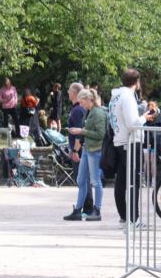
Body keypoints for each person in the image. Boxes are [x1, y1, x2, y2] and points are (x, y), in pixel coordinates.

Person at [109, 68, 153, 226]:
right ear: (137, 82)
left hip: (120, 141)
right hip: (130, 142)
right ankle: (133, 219)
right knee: (133, 181)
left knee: (121, 181)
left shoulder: (115, 96)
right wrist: (145, 117)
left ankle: (124, 216)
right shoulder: (127, 97)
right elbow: (133, 123)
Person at [64, 90, 107, 221]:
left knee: (95, 181)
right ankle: (78, 209)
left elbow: (101, 134)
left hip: (95, 150)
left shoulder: (98, 113)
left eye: (82, 102)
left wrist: (81, 131)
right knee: (81, 180)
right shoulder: (89, 112)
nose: (80, 105)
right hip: (88, 149)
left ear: (89, 100)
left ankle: (97, 209)